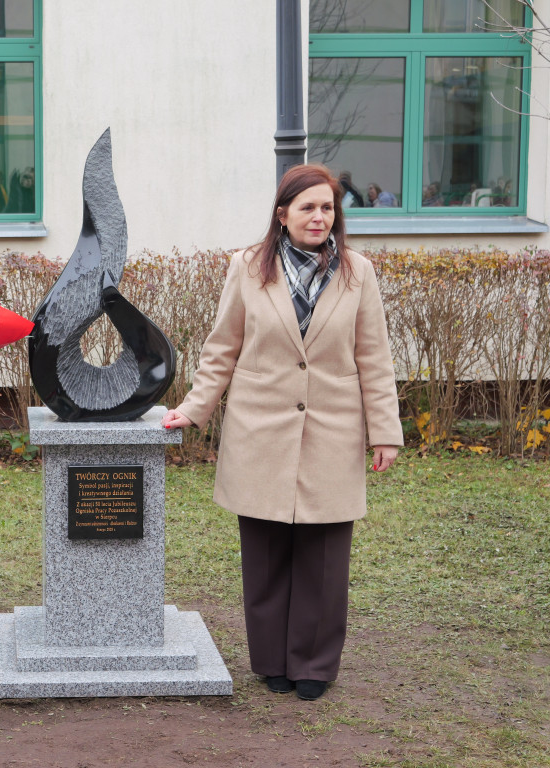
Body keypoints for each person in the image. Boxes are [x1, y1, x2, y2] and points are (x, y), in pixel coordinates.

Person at [161, 164, 402, 702]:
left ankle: (312, 664)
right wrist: (194, 408)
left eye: (328, 208)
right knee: (265, 555)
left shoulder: (358, 273)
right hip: (260, 430)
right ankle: (272, 660)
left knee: (324, 558)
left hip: (333, 430)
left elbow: (375, 357)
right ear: (282, 214)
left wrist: (384, 432)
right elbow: (222, 347)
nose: (320, 217)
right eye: (307, 207)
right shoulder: (248, 267)